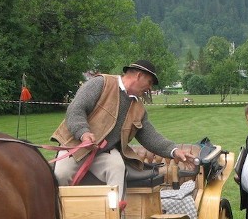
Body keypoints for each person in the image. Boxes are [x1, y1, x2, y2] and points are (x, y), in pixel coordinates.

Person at [52, 60, 190, 203]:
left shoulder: (138, 108)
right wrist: (83, 133)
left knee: (117, 167)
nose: (149, 88)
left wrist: (174, 150)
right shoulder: (101, 83)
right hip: (75, 146)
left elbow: (150, 136)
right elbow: (76, 109)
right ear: (138, 75)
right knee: (61, 174)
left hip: (105, 152)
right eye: (149, 82)